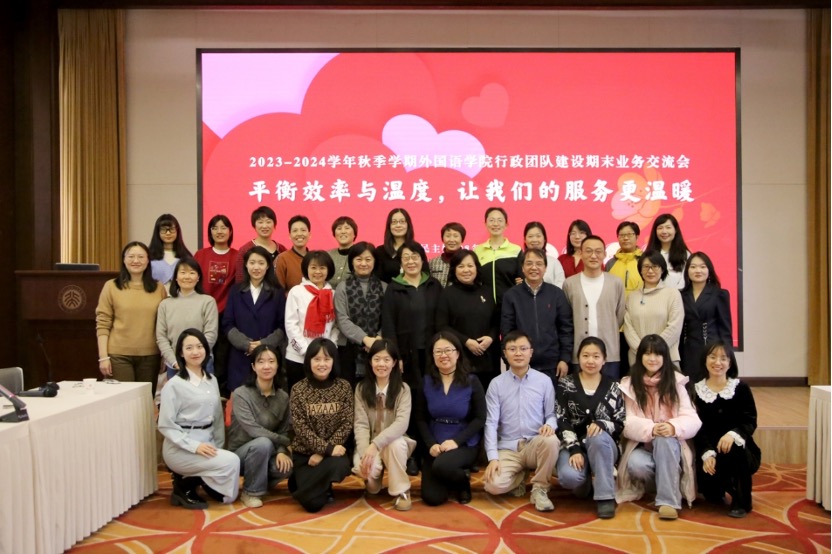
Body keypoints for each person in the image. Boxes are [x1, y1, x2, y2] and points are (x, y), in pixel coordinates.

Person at [616, 334, 702, 520]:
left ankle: (668, 502)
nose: (652, 358)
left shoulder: (676, 382)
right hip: (644, 447)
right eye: (647, 354)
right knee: (635, 463)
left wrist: (672, 427)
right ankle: (666, 481)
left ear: (665, 357)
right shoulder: (629, 384)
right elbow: (625, 421)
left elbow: (693, 419)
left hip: (672, 447)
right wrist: (651, 429)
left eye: (657, 354)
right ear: (640, 356)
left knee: (664, 438)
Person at [158, 329, 240, 509]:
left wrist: (218, 446)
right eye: (189, 348)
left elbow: (217, 418)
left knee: (229, 494)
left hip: (208, 442)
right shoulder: (174, 385)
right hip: (181, 447)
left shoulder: (212, 380)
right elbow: (166, 425)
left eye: (199, 346)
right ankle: (183, 484)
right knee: (232, 462)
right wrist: (194, 446)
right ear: (181, 353)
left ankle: (195, 478)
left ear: (206, 349)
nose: (195, 352)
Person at [483, 331, 560, 513]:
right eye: (512, 349)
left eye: (523, 349)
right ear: (505, 353)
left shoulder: (544, 381)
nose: (518, 353)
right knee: (492, 485)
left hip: (534, 443)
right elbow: (491, 423)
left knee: (551, 441)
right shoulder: (496, 384)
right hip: (508, 448)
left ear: (531, 352)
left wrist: (550, 425)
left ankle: (540, 488)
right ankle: (519, 476)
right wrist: (493, 458)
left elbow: (551, 414)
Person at [555, 337, 624, 519]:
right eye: (585, 356)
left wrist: (602, 424)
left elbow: (620, 422)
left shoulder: (614, 386)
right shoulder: (565, 384)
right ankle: (585, 481)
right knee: (570, 478)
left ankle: (605, 497)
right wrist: (574, 449)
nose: (590, 361)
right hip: (574, 445)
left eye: (596, 356)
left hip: (605, 446)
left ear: (604, 360)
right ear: (578, 358)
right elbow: (562, 419)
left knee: (597, 436)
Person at [693, 340, 761, 518]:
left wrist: (734, 434)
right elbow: (697, 427)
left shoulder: (741, 388)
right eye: (713, 357)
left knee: (735, 448)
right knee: (712, 496)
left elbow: (750, 421)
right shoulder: (696, 391)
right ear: (705, 360)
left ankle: (742, 500)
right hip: (710, 450)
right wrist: (706, 452)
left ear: (730, 363)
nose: (718, 362)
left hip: (739, 450)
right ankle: (720, 486)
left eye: (723, 358)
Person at [416, 333, 486, 506]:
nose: (443, 355)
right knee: (433, 498)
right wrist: (431, 444)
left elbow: (480, 418)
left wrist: (456, 441)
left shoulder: (472, 381)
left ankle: (462, 482)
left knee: (442, 466)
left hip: (463, 442)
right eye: (438, 351)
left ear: (458, 353)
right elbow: (420, 418)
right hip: (435, 442)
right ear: (432, 356)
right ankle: (450, 479)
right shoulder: (426, 382)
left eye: (448, 350)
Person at [288, 338, 353, 513]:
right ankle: (310, 485)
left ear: (334, 361)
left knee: (341, 465)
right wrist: (324, 449)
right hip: (306, 455)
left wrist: (325, 452)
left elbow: (347, 423)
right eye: (316, 359)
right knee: (313, 506)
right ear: (309, 361)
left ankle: (306, 489)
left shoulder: (344, 387)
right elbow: (300, 428)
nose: (322, 364)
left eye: (327, 359)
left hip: (331, 456)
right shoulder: (298, 389)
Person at [96, 241, 167, 397]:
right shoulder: (111, 286)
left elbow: (164, 324)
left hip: (150, 356)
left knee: (145, 402)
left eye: (141, 257)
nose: (136, 261)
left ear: (148, 260)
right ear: (124, 259)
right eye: (131, 256)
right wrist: (103, 357)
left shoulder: (159, 288)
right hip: (118, 355)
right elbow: (103, 323)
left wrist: (164, 355)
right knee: (124, 401)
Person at [352, 339, 416, 511]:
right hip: (370, 444)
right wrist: (366, 452)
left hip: (394, 442)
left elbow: (401, 424)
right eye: (377, 359)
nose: (381, 364)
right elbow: (361, 425)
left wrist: (376, 445)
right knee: (369, 476)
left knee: (395, 445)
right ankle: (374, 480)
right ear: (370, 361)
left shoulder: (403, 389)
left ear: (394, 363)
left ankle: (401, 491)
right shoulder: (361, 389)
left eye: (387, 360)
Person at [227, 344, 292, 509]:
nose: (266, 366)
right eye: (261, 362)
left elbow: (284, 429)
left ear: (278, 365)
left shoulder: (283, 397)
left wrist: (282, 451)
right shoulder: (241, 393)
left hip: (268, 452)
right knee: (263, 442)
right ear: (253, 367)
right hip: (239, 455)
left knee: (287, 466)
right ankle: (250, 492)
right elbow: (253, 429)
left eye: (271, 361)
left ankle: (258, 483)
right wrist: (283, 441)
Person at [501, 248, 573, 385]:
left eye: (539, 264)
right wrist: (509, 360)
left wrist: (564, 359)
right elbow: (506, 331)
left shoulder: (556, 294)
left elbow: (566, 329)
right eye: (529, 263)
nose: (534, 267)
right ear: (522, 268)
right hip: (521, 365)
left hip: (552, 365)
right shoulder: (511, 295)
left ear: (545, 268)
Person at [381, 240, 443, 392]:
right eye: (406, 257)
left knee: (434, 390)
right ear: (401, 262)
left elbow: (443, 319)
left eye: (415, 257)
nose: (411, 261)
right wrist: (395, 356)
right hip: (406, 353)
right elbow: (388, 324)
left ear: (422, 259)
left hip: (433, 351)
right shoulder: (393, 288)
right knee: (410, 393)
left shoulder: (434, 285)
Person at [223, 246, 286, 392]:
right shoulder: (236, 291)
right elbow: (227, 323)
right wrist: (246, 344)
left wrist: (263, 344)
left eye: (261, 263)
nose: (256, 267)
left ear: (268, 266)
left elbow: (282, 326)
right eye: (252, 263)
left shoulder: (277, 292)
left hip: (268, 357)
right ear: (246, 265)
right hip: (240, 357)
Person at [435, 249, 499, 391]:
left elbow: (496, 321)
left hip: (488, 359)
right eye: (461, 266)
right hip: (460, 360)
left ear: (476, 268)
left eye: (470, 266)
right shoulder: (447, 294)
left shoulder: (486, 291)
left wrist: (491, 337)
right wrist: (466, 341)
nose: (466, 270)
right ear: (454, 270)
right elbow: (442, 326)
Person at [563, 236, 625, 380]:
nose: (593, 256)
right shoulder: (569, 284)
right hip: (579, 354)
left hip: (610, 354)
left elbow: (620, 315)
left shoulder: (616, 283)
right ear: (581, 253)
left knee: (610, 391)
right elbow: (567, 319)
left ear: (605, 254)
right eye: (589, 251)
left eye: (598, 251)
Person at [194, 215, 238, 394]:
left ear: (230, 231)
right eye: (215, 228)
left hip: (225, 316)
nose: (219, 231)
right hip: (201, 314)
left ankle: (220, 397)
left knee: (222, 359)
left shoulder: (237, 256)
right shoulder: (200, 255)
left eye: (223, 227)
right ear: (210, 232)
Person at [285, 250, 340, 391]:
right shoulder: (296, 292)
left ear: (329, 270)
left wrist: (329, 349)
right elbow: (290, 325)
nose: (318, 272)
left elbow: (336, 326)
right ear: (306, 269)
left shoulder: (333, 294)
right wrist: (307, 351)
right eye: (313, 267)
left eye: (322, 268)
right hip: (298, 357)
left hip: (325, 360)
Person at [334, 242, 386, 387]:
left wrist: (377, 339)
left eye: (368, 259)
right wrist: (365, 339)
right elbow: (342, 319)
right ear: (352, 261)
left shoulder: (384, 287)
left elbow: (388, 318)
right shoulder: (342, 287)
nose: (363, 263)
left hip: (378, 347)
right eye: (359, 259)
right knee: (348, 390)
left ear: (375, 262)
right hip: (348, 349)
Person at [156, 258, 219, 378]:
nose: (187, 277)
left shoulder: (208, 301)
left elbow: (211, 334)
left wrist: (195, 356)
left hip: (202, 363)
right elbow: (161, 337)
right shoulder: (165, 304)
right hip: (175, 365)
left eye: (192, 273)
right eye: (183, 272)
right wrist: (174, 361)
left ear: (198, 277)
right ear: (176, 277)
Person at [623, 250, 684, 367]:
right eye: (646, 267)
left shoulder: (673, 294)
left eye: (655, 266)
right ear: (640, 270)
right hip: (637, 358)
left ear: (662, 269)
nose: (650, 271)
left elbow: (674, 327)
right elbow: (628, 327)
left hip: (666, 357)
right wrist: (642, 351)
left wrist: (655, 350)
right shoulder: (632, 297)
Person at [679, 252, 733, 379]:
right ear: (687, 271)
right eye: (693, 267)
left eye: (702, 267)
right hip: (687, 349)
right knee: (689, 386)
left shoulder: (719, 294)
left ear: (709, 270)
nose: (698, 270)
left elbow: (725, 329)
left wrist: (727, 355)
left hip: (711, 349)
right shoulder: (680, 295)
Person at [473, 206, 521, 308]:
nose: (495, 224)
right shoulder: (477, 251)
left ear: (506, 225)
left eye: (500, 220)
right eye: (491, 220)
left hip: (510, 306)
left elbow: (522, 280)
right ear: (485, 224)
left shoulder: (516, 250)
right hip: (484, 307)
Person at [235, 206, 287, 283]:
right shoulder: (245, 250)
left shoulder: (282, 249)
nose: (264, 226)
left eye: (268, 222)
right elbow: (240, 279)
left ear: (274, 224)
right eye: (260, 222)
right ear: (254, 225)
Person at [148, 213, 192, 291]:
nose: (168, 233)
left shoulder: (186, 257)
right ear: (157, 232)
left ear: (177, 231)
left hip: (181, 297)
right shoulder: (149, 256)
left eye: (172, 229)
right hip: (156, 296)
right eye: (163, 229)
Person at [646, 214, 690, 290]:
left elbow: (684, 281)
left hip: (677, 294)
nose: (664, 231)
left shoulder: (685, 254)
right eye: (660, 228)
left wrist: (672, 294)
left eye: (668, 227)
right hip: (652, 294)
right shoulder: (647, 252)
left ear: (675, 230)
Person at [375, 208, 415, 283]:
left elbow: (425, 275)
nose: (398, 225)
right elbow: (376, 279)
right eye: (394, 222)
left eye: (402, 222)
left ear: (408, 225)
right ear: (389, 226)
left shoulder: (416, 248)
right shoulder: (380, 251)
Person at [605, 221, 643, 298]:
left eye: (629, 234)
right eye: (622, 235)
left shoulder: (644, 261)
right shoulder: (610, 263)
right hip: (615, 304)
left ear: (637, 237)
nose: (625, 238)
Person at [523, 221, 565, 288]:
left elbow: (560, 284)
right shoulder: (520, 261)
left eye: (538, 236)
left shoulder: (554, 262)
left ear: (544, 239)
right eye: (530, 236)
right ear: (525, 240)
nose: (534, 240)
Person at [275, 215, 311, 291]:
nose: (299, 234)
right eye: (295, 231)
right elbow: (278, 291)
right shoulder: (282, 259)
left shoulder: (315, 259)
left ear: (309, 235)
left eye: (303, 230)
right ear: (289, 236)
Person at [428, 222, 466, 287]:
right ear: (442, 238)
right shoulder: (433, 262)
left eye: (456, 236)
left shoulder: (467, 261)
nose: (451, 240)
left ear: (462, 239)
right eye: (448, 236)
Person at [327, 216, 357, 288]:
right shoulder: (327, 255)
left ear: (354, 234)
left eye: (347, 228)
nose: (343, 232)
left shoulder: (360, 254)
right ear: (334, 234)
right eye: (339, 228)